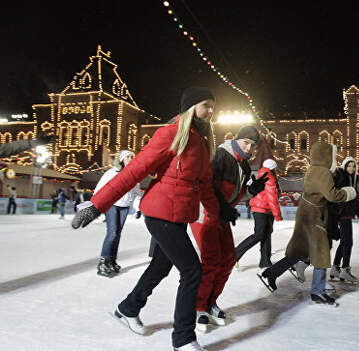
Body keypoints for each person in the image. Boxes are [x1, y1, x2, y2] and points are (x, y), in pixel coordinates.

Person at [71, 86, 219, 351]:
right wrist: (96, 206)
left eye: (212, 105)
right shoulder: (170, 134)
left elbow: (205, 185)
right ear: (191, 107)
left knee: (162, 267)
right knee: (192, 270)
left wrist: (217, 214)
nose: (211, 110)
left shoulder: (202, 142)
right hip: (160, 213)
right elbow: (133, 172)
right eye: (206, 104)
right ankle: (183, 339)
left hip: (179, 215)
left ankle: (128, 308)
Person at [258, 142, 356, 305]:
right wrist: (349, 193)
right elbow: (332, 195)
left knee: (300, 251)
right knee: (321, 253)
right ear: (327, 156)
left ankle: (271, 273)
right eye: (333, 156)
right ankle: (318, 292)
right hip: (313, 218)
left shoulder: (313, 170)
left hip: (306, 214)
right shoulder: (323, 172)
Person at [190, 125, 266, 331]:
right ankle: (197, 306)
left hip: (221, 214)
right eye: (246, 143)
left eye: (253, 145)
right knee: (211, 259)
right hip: (205, 212)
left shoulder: (244, 166)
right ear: (236, 140)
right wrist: (221, 208)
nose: (249, 148)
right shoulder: (220, 156)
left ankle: (210, 301)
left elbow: (235, 195)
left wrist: (252, 191)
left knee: (229, 258)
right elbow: (208, 188)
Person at [94, 150, 141, 278]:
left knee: (117, 234)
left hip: (124, 207)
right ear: (121, 159)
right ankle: (103, 262)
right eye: (128, 157)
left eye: (132, 156)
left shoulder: (134, 174)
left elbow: (136, 193)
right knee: (113, 233)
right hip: (112, 205)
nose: (131, 158)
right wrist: (97, 206)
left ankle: (112, 260)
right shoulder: (112, 172)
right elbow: (100, 188)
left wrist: (137, 209)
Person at [235, 158, 281, 270]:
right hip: (261, 209)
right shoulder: (269, 178)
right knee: (259, 235)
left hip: (264, 210)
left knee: (266, 234)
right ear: (273, 168)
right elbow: (272, 198)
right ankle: (235, 254)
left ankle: (265, 261)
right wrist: (278, 214)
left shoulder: (263, 175)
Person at [329, 157, 359, 284]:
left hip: (347, 214)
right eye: (349, 166)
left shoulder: (354, 180)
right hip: (341, 214)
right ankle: (345, 269)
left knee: (344, 242)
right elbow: (335, 194)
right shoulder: (341, 178)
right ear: (345, 167)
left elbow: (355, 201)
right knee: (348, 242)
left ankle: (335, 267)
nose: (352, 168)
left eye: (353, 166)